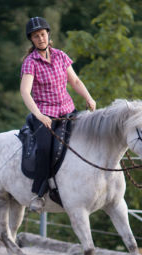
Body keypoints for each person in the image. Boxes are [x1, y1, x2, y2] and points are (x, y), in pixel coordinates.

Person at [20, 16, 96, 212]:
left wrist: (89, 98)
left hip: (68, 111)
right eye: (36, 36)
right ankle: (39, 193)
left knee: (87, 138)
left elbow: (75, 81)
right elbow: (25, 92)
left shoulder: (61, 56)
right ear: (32, 40)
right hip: (45, 114)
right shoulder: (30, 62)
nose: (40, 39)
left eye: (43, 34)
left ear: (48, 35)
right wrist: (39, 115)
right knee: (45, 148)